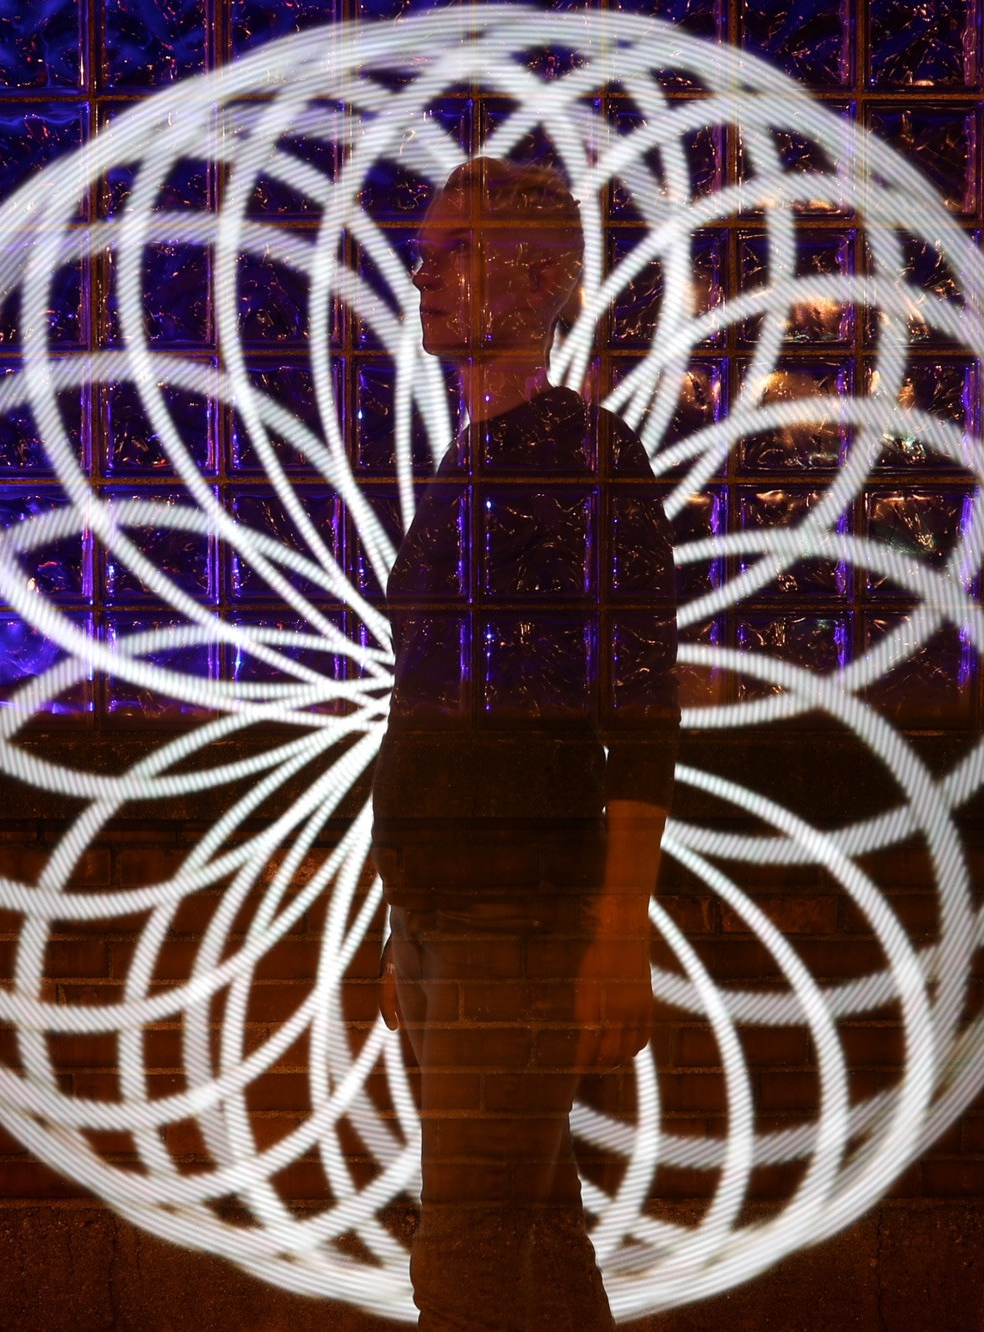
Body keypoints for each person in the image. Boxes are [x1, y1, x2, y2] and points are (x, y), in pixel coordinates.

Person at [369, 156, 680, 1331]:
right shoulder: (464, 462)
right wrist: (394, 915)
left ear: (545, 279)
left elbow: (640, 713)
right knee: (534, 1229)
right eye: (428, 248)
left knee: (468, 1240)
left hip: (516, 909)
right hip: (442, 906)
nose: (424, 271)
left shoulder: (582, 459)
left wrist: (616, 934)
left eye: (458, 250)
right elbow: (426, 704)